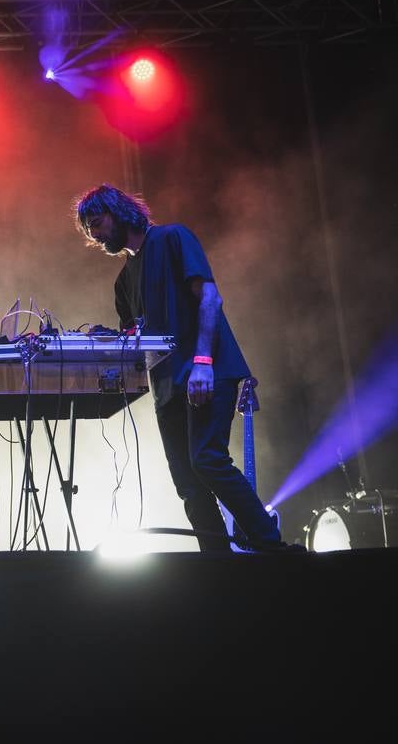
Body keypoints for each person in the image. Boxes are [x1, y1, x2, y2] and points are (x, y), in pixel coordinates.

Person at [74, 184, 292, 552]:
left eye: (97, 223)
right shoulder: (123, 280)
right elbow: (137, 338)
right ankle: (218, 561)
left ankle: (271, 547)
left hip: (206, 370)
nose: (96, 235)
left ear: (117, 211)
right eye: (90, 230)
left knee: (207, 460)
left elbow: (209, 298)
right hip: (166, 388)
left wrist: (203, 362)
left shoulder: (173, 238)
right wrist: (106, 341)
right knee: (187, 482)